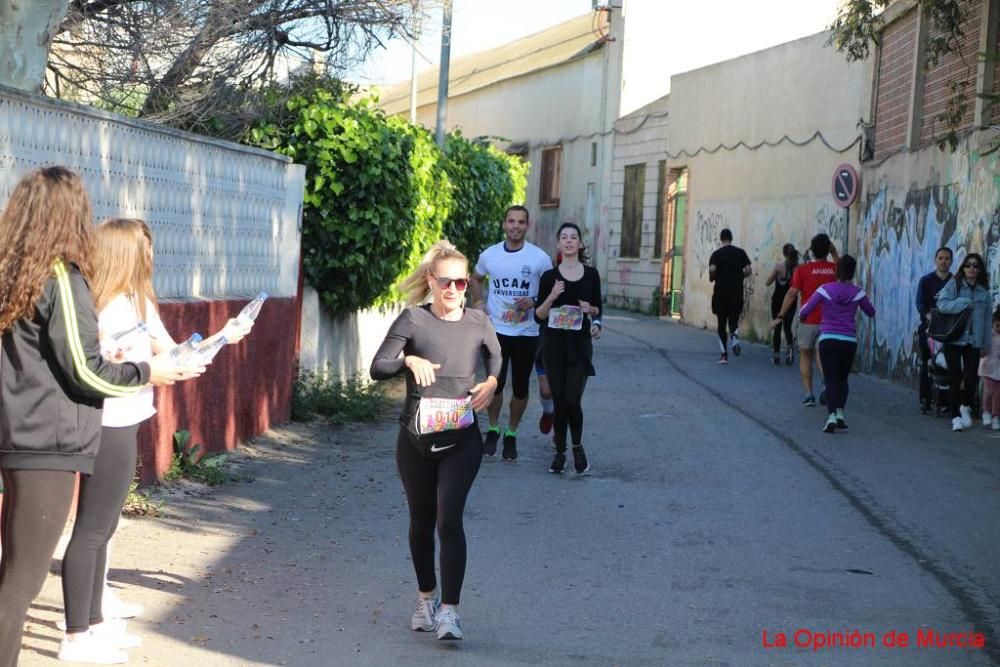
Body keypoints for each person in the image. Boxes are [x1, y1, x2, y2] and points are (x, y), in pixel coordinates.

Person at [0, 167, 200, 667]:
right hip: (46, 441)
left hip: (17, 433)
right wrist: (145, 371)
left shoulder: (13, 276)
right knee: (19, 585)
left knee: (13, 575)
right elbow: (87, 373)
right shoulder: (62, 280)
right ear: (69, 215)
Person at [57, 218, 250, 663]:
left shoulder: (137, 299)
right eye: (144, 249)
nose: (151, 257)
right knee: (92, 528)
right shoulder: (96, 306)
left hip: (130, 418)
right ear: (123, 253)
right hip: (105, 421)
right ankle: (77, 634)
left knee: (105, 526)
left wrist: (225, 335)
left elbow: (176, 356)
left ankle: (93, 622)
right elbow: (92, 369)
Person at [370, 240, 500, 642]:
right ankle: (426, 596)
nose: (454, 290)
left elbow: (497, 358)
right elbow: (377, 367)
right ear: (431, 280)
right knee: (421, 521)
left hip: (461, 439)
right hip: (416, 438)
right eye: (446, 282)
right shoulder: (413, 320)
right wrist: (409, 360)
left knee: (449, 519)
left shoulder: (479, 322)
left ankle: (450, 611)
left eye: (462, 283)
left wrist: (493, 383)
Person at [470, 206, 552, 460]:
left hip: (527, 332)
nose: (516, 226)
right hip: (496, 330)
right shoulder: (490, 255)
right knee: (495, 383)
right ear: (504, 224)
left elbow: (552, 291)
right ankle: (493, 429)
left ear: (528, 226)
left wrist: (536, 300)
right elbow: (475, 278)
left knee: (519, 388)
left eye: (521, 222)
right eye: (511, 221)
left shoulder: (539, 258)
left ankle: (512, 434)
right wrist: (477, 302)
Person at [535, 223, 602, 475]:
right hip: (553, 346)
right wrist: (552, 296)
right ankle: (560, 452)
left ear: (580, 244)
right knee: (560, 401)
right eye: (564, 237)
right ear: (559, 244)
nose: (569, 241)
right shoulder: (549, 278)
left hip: (579, 346)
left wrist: (594, 318)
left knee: (573, 400)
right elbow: (538, 316)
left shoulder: (591, 275)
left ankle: (577, 446)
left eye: (574, 237)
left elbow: (598, 310)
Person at [798, 255, 876, 433]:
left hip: (828, 339)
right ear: (852, 272)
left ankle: (831, 415)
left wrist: (802, 317)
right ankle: (840, 412)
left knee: (830, 378)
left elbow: (806, 310)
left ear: (836, 270)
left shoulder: (825, 290)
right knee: (842, 379)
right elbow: (871, 312)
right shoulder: (858, 292)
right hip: (849, 341)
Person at [772, 233, 838, 406]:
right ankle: (826, 383)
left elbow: (792, 293)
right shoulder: (834, 269)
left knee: (806, 354)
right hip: (829, 321)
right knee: (822, 353)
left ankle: (809, 394)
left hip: (807, 319)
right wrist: (835, 252)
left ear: (812, 250)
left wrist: (780, 316)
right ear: (828, 249)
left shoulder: (802, 270)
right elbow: (843, 271)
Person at [936, 252, 993, 432]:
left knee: (971, 378)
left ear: (980, 270)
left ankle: (965, 406)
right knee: (955, 377)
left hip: (973, 341)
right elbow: (942, 304)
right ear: (963, 267)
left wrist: (986, 345)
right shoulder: (955, 285)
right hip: (954, 338)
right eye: (968, 265)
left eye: (975, 266)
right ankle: (955, 418)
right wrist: (962, 302)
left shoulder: (984, 293)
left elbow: (987, 322)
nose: (971, 269)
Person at [916, 247, 954, 412]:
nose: (943, 261)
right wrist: (928, 316)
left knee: (951, 362)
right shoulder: (926, 281)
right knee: (927, 360)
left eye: (946, 258)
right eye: (940, 258)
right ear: (935, 260)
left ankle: (948, 398)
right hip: (929, 327)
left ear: (951, 261)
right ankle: (925, 396)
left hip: (951, 328)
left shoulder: (955, 282)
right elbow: (920, 304)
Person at [708, 228, 751, 364]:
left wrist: (712, 277)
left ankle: (724, 355)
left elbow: (712, 269)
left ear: (721, 239)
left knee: (721, 323)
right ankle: (735, 338)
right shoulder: (740, 253)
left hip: (721, 293)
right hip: (736, 292)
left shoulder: (717, 254)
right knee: (734, 320)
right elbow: (749, 270)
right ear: (731, 238)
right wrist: (740, 276)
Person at [765, 243, 799, 365]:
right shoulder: (798, 268)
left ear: (784, 254)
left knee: (777, 328)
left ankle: (776, 355)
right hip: (791, 301)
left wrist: (776, 277)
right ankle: (790, 349)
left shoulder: (779, 266)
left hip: (778, 301)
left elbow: (767, 282)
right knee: (787, 327)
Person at [979, 307, 1000, 430]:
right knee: (989, 391)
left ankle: (995, 416)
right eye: (997, 326)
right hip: (988, 367)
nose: (999, 329)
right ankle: (986, 412)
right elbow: (982, 349)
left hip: (999, 368)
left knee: (998, 394)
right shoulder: (988, 335)